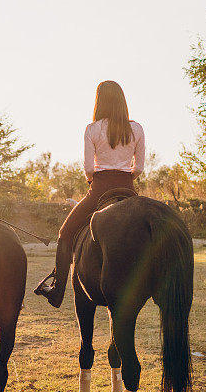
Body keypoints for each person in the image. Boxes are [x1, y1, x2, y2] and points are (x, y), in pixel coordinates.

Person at [34, 80, 145, 307]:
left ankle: (57, 290)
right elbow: (139, 168)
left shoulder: (92, 129)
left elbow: (88, 169)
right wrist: (126, 177)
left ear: (99, 101)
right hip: (128, 188)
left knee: (65, 233)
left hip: (100, 188)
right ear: (122, 101)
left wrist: (95, 181)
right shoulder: (137, 129)